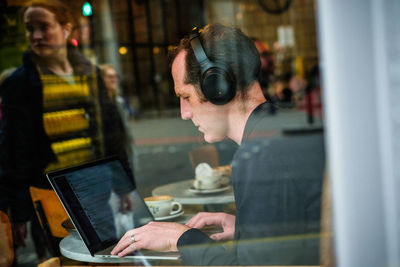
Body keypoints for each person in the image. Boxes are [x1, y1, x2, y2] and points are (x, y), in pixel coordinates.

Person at [111, 24, 325, 265]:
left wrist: (181, 238)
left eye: (186, 97)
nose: (184, 113)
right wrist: (245, 227)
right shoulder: (289, 128)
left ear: (218, 86)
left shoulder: (260, 156)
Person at [0, 0, 134, 258]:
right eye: (30, 28)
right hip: (49, 199)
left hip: (97, 194)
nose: (36, 35)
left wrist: (123, 185)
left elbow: (111, 134)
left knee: (105, 258)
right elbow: (12, 152)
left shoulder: (91, 74)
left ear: (65, 29)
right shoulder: (18, 85)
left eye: (44, 27)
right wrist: (16, 213)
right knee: (63, 261)